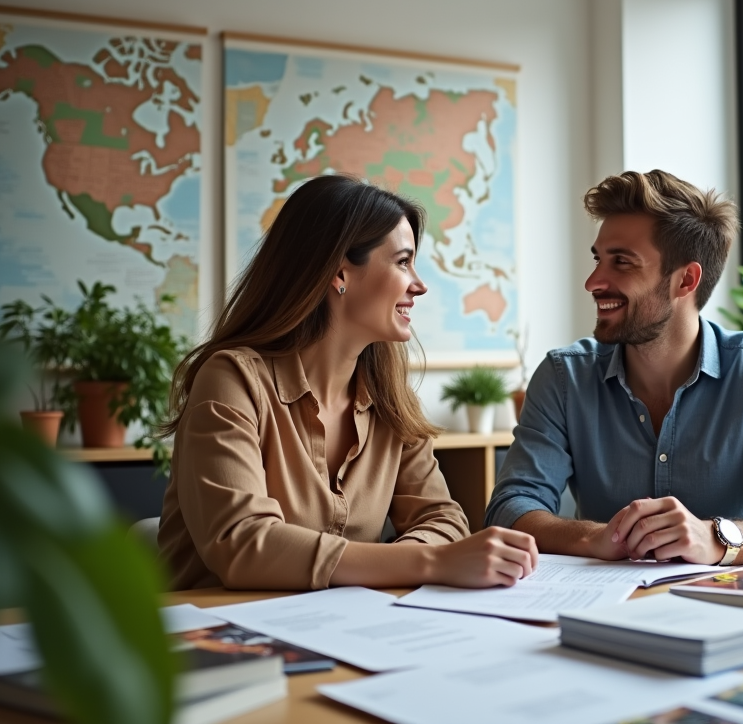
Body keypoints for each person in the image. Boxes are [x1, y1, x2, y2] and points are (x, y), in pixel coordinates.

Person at [158, 175, 537, 591]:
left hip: (341, 631)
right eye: (402, 262)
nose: (419, 284)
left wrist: (419, 560)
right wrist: (428, 561)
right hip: (226, 639)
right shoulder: (231, 380)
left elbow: (442, 518)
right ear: (340, 273)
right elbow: (243, 543)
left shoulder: (391, 398)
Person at [484, 170, 743, 566]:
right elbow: (510, 507)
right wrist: (598, 537)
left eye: (621, 262)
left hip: (731, 612)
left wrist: (716, 537)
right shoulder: (564, 377)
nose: (592, 281)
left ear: (686, 280)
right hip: (603, 611)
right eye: (598, 259)